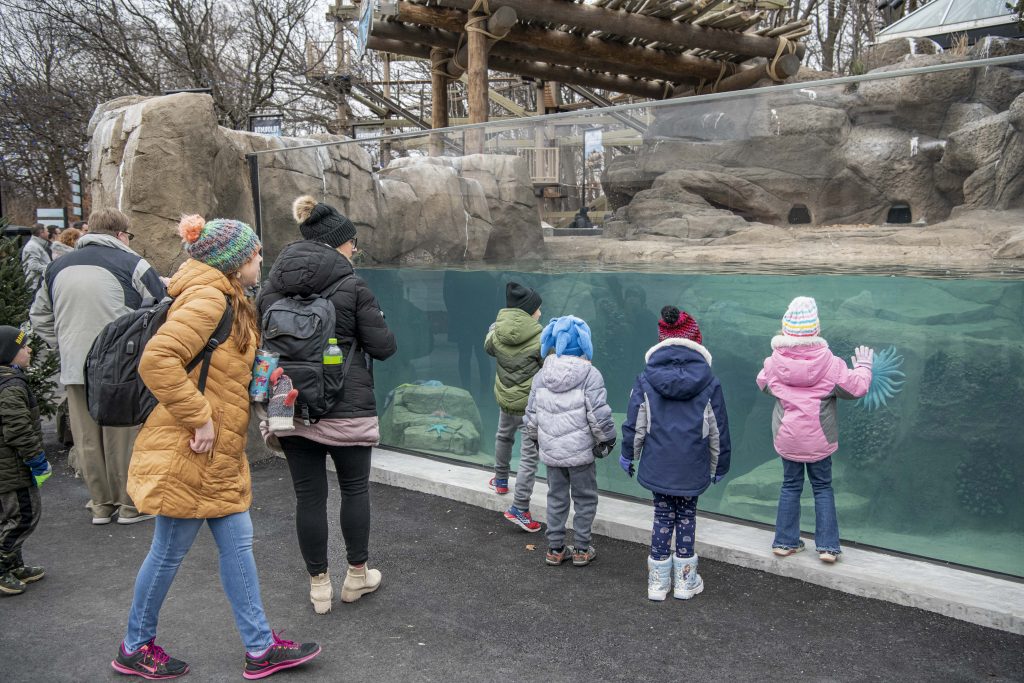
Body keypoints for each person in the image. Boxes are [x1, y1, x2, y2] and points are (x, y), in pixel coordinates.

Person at [113, 215, 320, 680]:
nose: (260, 259)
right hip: (191, 447)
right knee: (168, 551)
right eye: (255, 253)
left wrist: (264, 378)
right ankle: (134, 646)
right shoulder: (209, 297)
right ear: (233, 262)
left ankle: (261, 648)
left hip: (216, 454)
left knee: (238, 546)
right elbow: (158, 360)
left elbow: (218, 366)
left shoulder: (228, 297)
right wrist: (200, 416)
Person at [257, 196, 397, 615]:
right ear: (338, 244)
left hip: (291, 403)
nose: (355, 249)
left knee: (308, 497)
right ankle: (357, 576)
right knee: (354, 489)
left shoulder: (270, 289)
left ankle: (319, 585)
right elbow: (384, 348)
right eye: (352, 242)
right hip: (346, 405)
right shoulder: (352, 286)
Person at [30, 207, 165, 525]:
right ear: (121, 234)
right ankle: (131, 504)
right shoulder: (134, 263)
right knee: (123, 435)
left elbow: (39, 316)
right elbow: (161, 310)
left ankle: (101, 504)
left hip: (75, 365)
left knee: (86, 436)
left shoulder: (55, 267)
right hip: (122, 365)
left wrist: (64, 344)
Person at [620, 306, 731, 601]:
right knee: (686, 518)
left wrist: (629, 454)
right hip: (692, 466)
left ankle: (657, 583)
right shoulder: (709, 382)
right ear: (697, 341)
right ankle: (685, 582)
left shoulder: (645, 380)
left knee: (662, 516)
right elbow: (719, 429)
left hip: (658, 465)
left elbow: (635, 423)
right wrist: (720, 465)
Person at [756, 296, 873, 564]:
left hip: (787, 437)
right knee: (822, 487)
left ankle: (784, 542)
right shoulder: (831, 364)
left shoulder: (773, 362)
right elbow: (855, 388)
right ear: (817, 330)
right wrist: (864, 368)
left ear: (784, 330)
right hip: (819, 439)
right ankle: (828, 548)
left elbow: (762, 383)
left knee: (790, 486)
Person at [523, 315, 616, 567]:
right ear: (585, 343)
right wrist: (607, 440)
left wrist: (536, 440)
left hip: (552, 451)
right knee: (585, 498)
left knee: (556, 497)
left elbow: (531, 416)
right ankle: (582, 549)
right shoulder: (590, 374)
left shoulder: (542, 375)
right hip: (580, 453)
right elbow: (598, 414)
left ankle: (554, 549)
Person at [483, 281, 544, 533]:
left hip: (506, 398)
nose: (540, 312)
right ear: (529, 311)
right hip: (530, 404)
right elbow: (547, 363)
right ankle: (519, 507)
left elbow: (488, 347)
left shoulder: (497, 332)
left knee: (503, 436)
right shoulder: (541, 336)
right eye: (538, 308)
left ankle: (500, 479)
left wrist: (493, 328)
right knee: (529, 454)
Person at [0, 326, 50, 596]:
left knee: (8, 516)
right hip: (14, 469)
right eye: (23, 347)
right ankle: (2, 566)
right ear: (9, 354)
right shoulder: (11, 386)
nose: (29, 349)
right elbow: (18, 429)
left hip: (8, 468)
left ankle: (14, 564)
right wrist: (36, 459)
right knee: (24, 516)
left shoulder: (9, 381)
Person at [20, 224, 51, 293]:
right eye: (47, 231)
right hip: (35, 285)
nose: (49, 233)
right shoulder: (32, 246)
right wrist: (51, 268)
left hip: (39, 284)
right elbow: (33, 266)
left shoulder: (38, 245)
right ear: (41, 232)